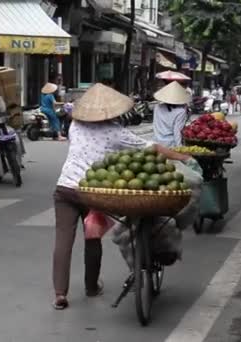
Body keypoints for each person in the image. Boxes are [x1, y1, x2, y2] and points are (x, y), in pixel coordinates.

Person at [52, 83, 191, 310]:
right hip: (91, 190)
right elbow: (152, 148)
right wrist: (182, 157)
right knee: (92, 237)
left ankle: (59, 294)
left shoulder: (75, 126)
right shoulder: (115, 131)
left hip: (64, 187)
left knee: (62, 240)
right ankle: (91, 287)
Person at [152, 81, 191, 147]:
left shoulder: (157, 107)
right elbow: (177, 131)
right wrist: (179, 147)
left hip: (156, 142)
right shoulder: (180, 111)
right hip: (170, 144)